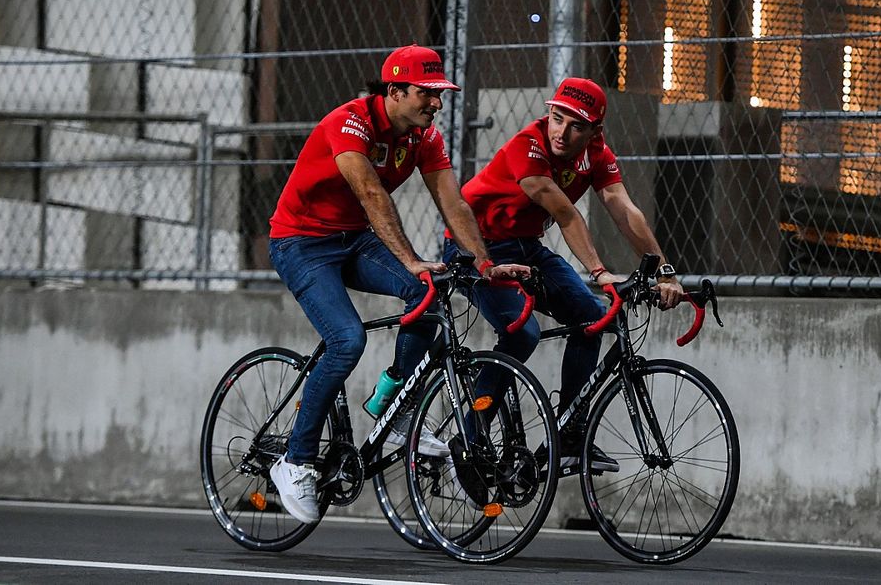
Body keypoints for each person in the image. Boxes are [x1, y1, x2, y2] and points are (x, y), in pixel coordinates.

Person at [267, 44, 526, 524]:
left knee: (426, 294)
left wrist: (485, 264)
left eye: (439, 94)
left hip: (353, 240)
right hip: (300, 243)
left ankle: (398, 404)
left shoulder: (424, 138)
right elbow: (369, 193)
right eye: (426, 94)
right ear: (395, 90)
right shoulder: (348, 123)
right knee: (347, 339)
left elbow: (454, 204)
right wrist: (409, 259)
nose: (437, 104)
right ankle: (295, 460)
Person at [444, 76, 685, 473]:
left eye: (576, 125)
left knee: (592, 318)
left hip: (524, 245)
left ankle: (569, 437)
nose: (562, 132)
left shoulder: (598, 154)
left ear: (595, 132)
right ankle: (470, 437)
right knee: (521, 334)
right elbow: (563, 211)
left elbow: (623, 208)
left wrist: (666, 271)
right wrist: (600, 272)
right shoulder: (529, 145)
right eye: (557, 119)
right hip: (474, 247)